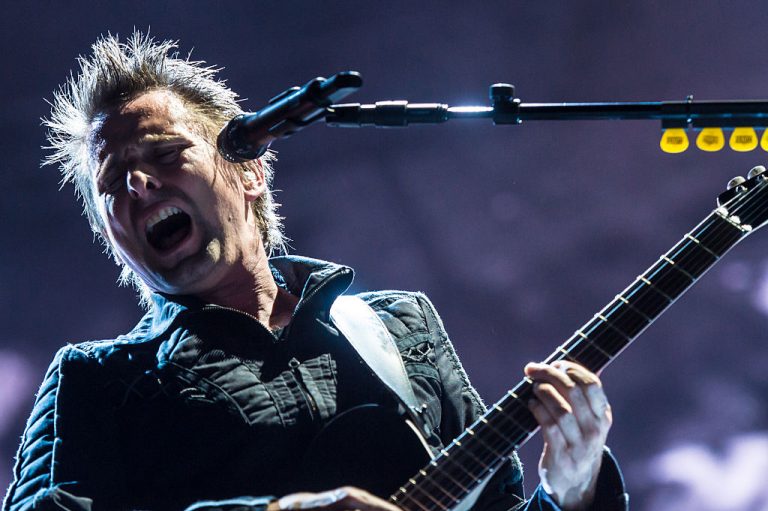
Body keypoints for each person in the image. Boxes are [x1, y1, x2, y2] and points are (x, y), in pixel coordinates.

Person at [3, 32, 628, 511]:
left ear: (249, 170)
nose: (139, 181)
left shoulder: (401, 325)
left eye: (166, 153)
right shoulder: (98, 381)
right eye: (113, 182)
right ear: (113, 238)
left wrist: (572, 492)